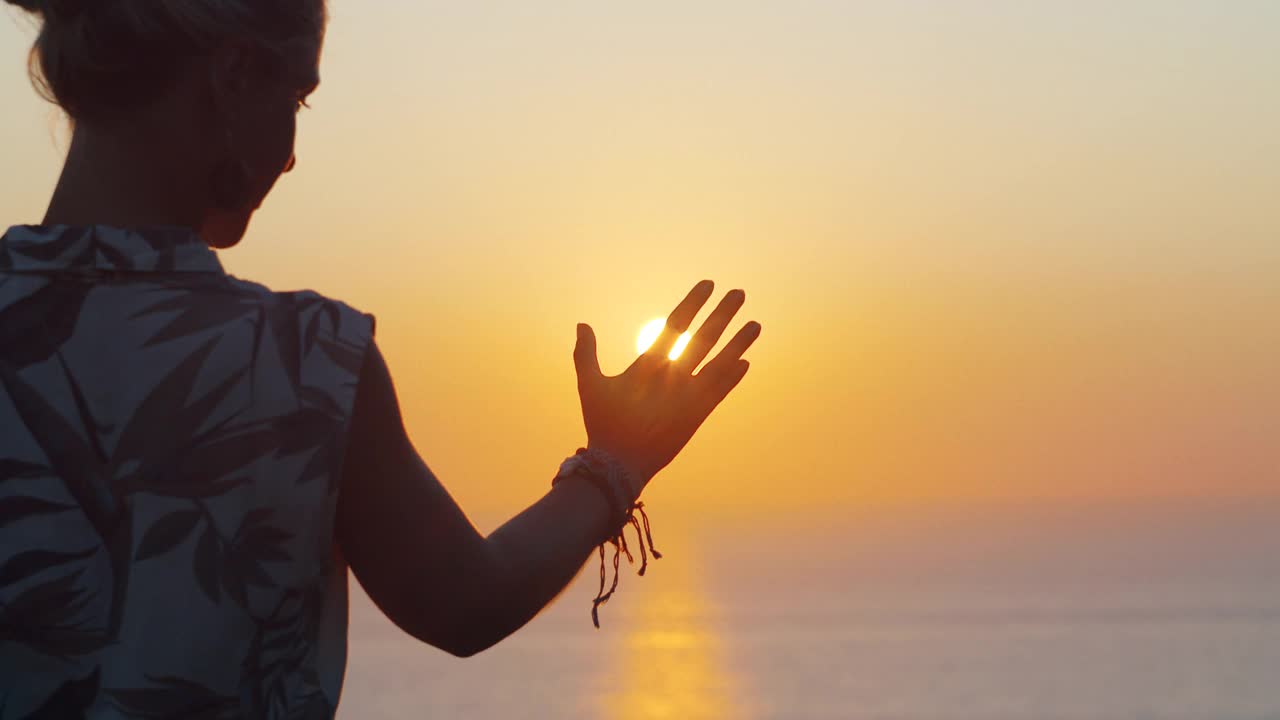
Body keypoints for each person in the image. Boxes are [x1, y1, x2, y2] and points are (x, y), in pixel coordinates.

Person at [0, 0, 761, 717]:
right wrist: (615, 462)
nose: (293, 157)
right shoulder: (299, 366)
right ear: (234, 77)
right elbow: (465, 603)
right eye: (298, 98)